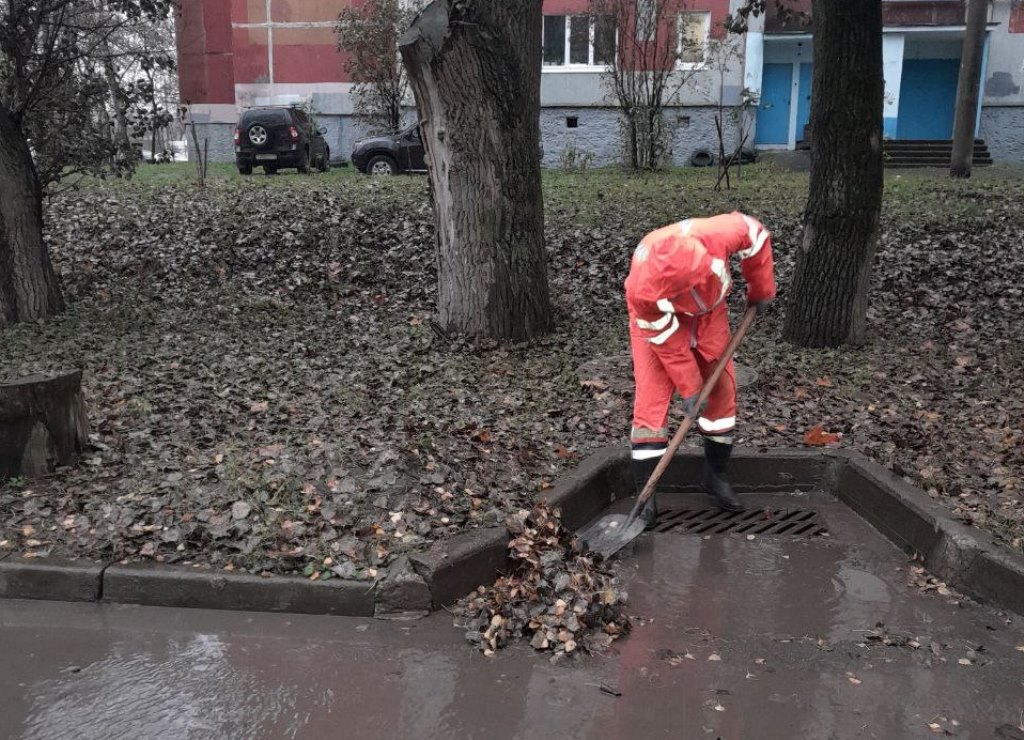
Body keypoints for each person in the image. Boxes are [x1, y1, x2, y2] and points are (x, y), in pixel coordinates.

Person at [625, 212, 776, 527]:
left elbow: (756, 235)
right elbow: (665, 341)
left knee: (721, 394)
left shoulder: (720, 233)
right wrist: (691, 388)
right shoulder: (643, 290)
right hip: (661, 325)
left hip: (710, 315)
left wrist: (761, 288)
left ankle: (715, 475)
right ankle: (646, 496)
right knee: (651, 403)